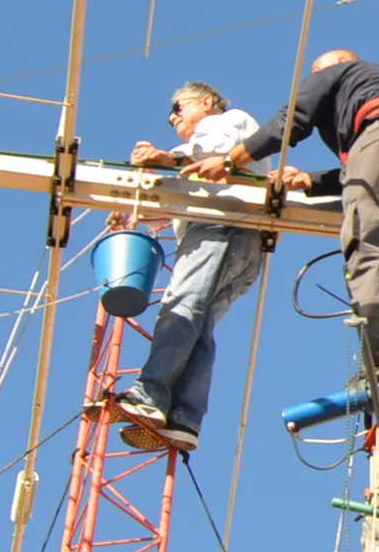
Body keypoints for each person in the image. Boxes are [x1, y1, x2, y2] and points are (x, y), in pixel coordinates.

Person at [191, 47, 379, 387]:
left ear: (338, 64)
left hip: (375, 138)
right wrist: (310, 181)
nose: (313, 77)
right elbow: (369, 168)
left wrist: (230, 161)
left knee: (372, 249)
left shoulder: (336, 73)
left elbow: (291, 122)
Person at [110, 81, 266, 450]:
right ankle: (184, 417)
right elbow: (186, 187)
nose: (173, 117)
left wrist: (164, 159)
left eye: (178, 108)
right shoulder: (200, 152)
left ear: (206, 102)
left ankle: (149, 397)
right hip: (242, 240)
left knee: (180, 309)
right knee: (199, 326)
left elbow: (211, 151)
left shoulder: (226, 122)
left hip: (220, 227)